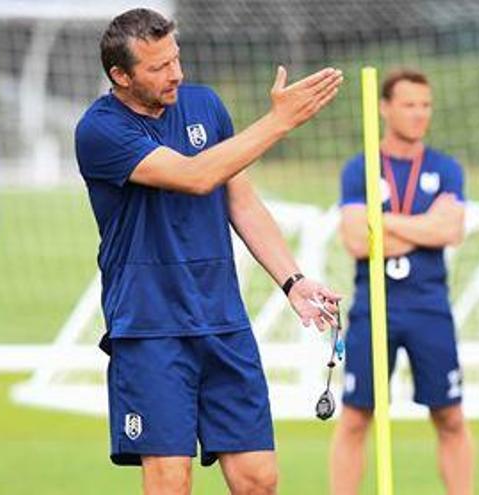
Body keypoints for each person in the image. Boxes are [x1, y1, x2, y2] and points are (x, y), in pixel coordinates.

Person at [74, 8, 343, 495]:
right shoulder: (99, 131)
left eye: (176, 59)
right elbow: (195, 176)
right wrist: (279, 122)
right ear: (121, 75)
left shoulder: (205, 106)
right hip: (151, 328)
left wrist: (293, 281)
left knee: (259, 480)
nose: (175, 73)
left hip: (223, 321)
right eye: (157, 67)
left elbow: (240, 201)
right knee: (171, 483)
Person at [329, 68, 474, 495]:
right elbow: (357, 239)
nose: (419, 114)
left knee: (449, 414)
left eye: (425, 105)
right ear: (385, 107)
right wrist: (422, 226)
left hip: (429, 306)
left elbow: (450, 231)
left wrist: (385, 222)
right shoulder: (361, 168)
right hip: (375, 306)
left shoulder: (445, 168)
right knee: (357, 415)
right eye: (409, 104)